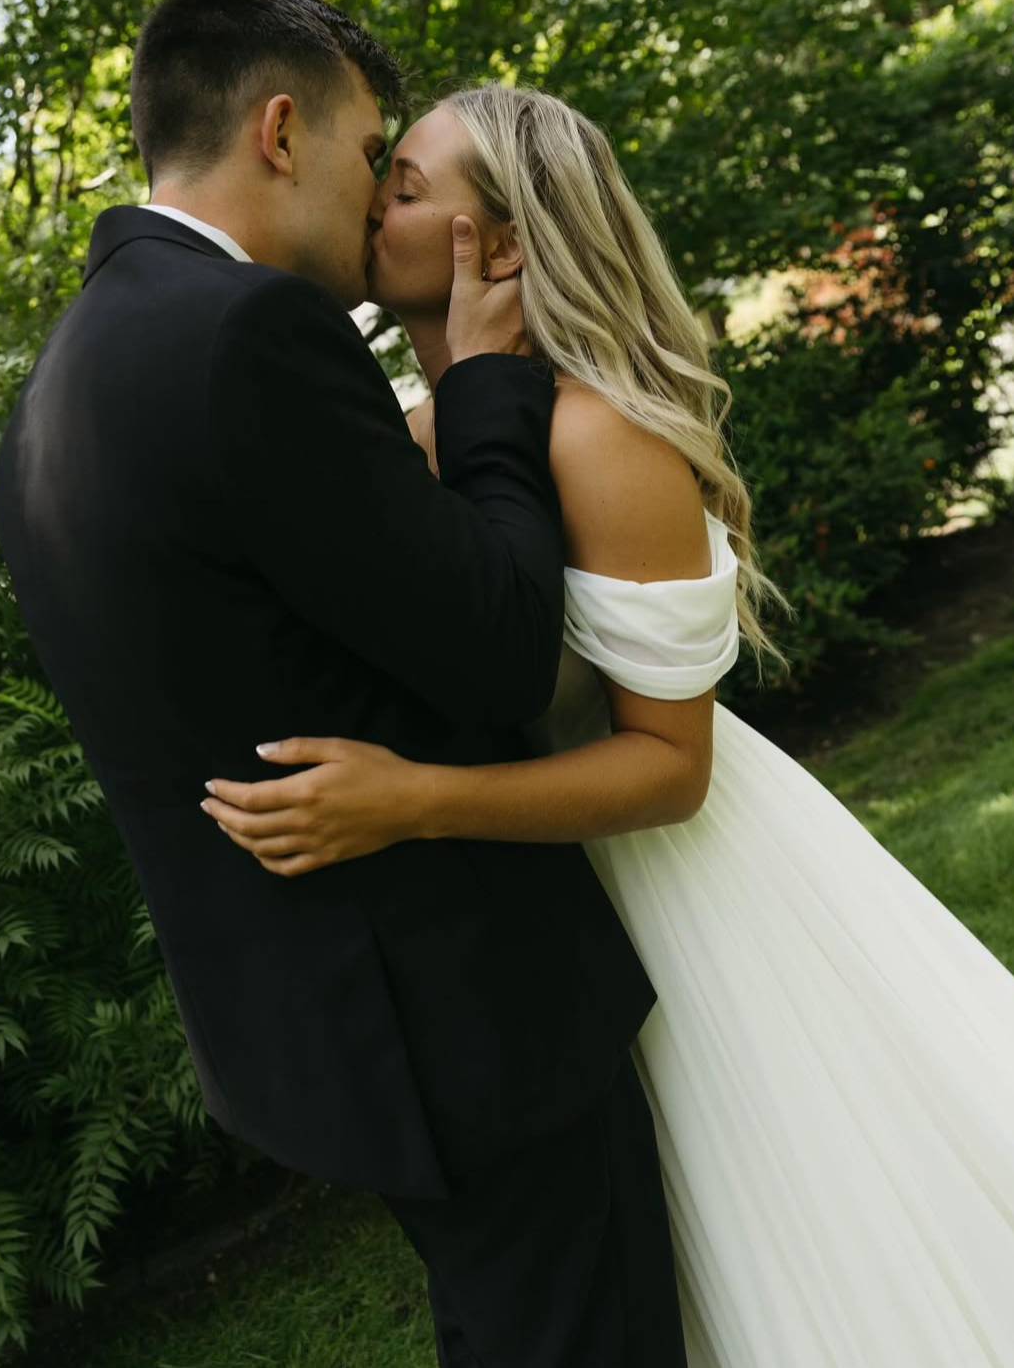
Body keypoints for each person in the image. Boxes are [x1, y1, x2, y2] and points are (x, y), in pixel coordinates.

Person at [203, 83, 1014, 1368]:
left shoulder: (600, 432)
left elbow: (668, 767)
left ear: (505, 247)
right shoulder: (404, 443)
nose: (368, 198)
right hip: (530, 936)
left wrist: (412, 800)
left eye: (404, 185)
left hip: (684, 898)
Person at [0, 0, 688, 1367]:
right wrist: (486, 382)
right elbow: (497, 656)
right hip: (466, 1017)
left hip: (317, 1033)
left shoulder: (59, 385)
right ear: (277, 130)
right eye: (372, 151)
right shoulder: (248, 333)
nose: (375, 194)